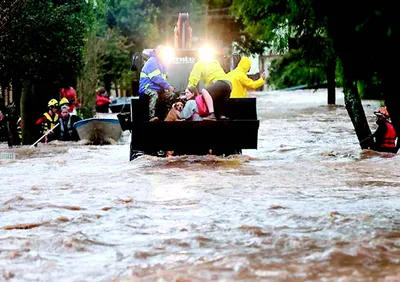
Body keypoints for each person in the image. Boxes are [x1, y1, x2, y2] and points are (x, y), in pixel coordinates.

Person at [187, 56, 232, 120]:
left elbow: (193, 78)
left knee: (205, 90)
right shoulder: (215, 62)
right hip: (228, 85)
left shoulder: (199, 64)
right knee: (215, 101)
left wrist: (188, 90)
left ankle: (211, 114)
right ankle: (221, 116)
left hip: (219, 82)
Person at [138, 44, 175, 121]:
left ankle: (167, 117)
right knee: (154, 95)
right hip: (147, 88)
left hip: (158, 89)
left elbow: (163, 78)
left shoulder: (162, 64)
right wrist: (168, 86)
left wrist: (167, 89)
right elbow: (156, 78)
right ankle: (152, 117)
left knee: (171, 95)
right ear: (156, 52)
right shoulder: (152, 62)